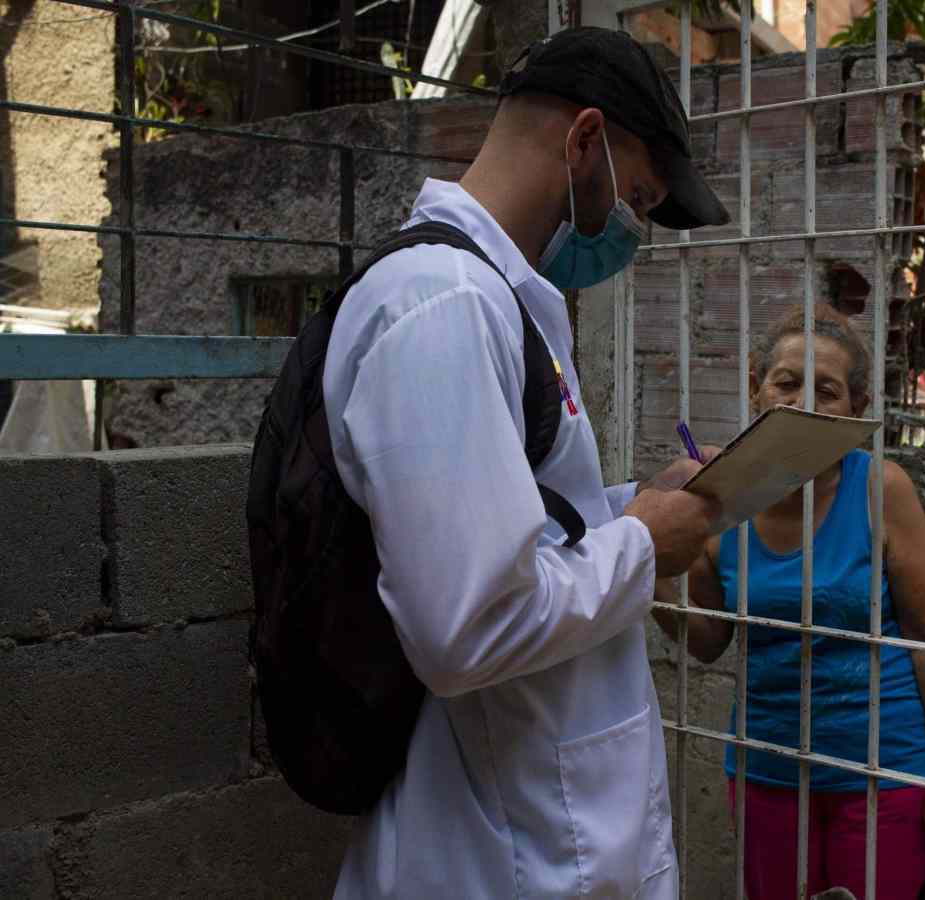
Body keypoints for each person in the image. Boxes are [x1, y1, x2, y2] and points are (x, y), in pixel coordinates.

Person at [323, 27, 729, 900]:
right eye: (640, 201)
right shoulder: (443, 306)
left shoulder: (496, 297)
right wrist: (645, 546)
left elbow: (519, 524)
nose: (632, 234)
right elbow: (467, 626)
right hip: (505, 851)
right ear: (585, 141)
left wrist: (635, 503)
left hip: (539, 830)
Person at [654, 304, 925, 900]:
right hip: (768, 768)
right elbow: (708, 642)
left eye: (826, 391)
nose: (804, 401)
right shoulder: (716, 497)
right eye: (786, 383)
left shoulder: (881, 488)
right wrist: (644, 571)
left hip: (883, 774)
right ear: (757, 390)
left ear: (854, 409)